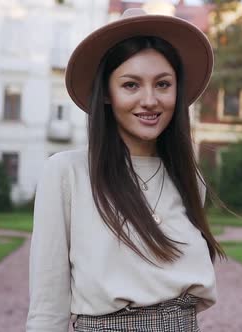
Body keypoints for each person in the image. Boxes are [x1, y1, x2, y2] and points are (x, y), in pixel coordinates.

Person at [26, 8, 225, 332]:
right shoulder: (67, 173)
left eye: (163, 84)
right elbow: (48, 304)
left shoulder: (190, 179)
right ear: (106, 93)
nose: (150, 100)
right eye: (131, 85)